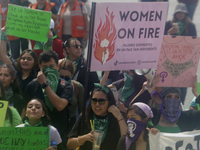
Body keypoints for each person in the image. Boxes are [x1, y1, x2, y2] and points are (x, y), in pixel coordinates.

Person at [24, 50, 73, 149]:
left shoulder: (65, 86)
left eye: (51, 66)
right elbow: (25, 111)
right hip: (37, 134)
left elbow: (60, 106)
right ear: (40, 67)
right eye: (45, 67)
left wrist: (45, 85)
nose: (48, 70)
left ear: (57, 67)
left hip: (59, 133)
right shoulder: (32, 85)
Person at [67, 83, 127, 150]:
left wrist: (119, 116)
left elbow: (126, 142)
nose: (97, 104)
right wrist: (84, 138)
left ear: (109, 102)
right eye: (94, 100)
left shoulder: (115, 119)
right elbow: (69, 144)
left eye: (101, 101)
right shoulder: (85, 117)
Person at [164, 2, 197, 104]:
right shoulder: (168, 24)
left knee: (183, 84)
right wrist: (170, 34)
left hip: (185, 60)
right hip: (170, 58)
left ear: (185, 14)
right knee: (169, 83)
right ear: (175, 13)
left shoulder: (190, 26)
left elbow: (194, 43)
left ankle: (181, 105)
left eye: (182, 12)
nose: (180, 14)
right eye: (178, 12)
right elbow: (162, 41)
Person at [59, 59, 84, 133]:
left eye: (67, 77)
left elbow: (81, 111)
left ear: (72, 75)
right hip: (57, 122)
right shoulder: (53, 86)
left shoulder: (78, 87)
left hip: (71, 122)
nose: (63, 80)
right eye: (61, 77)